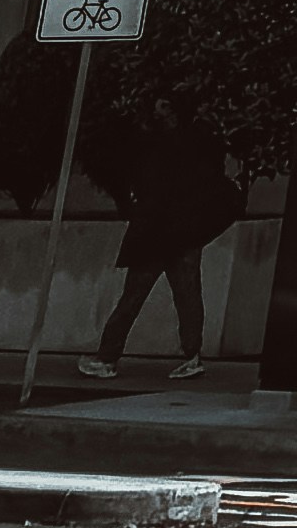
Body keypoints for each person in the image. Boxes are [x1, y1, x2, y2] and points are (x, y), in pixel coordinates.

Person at [79, 97, 241, 380]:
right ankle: (192, 356)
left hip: (154, 234)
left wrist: (135, 210)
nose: (157, 108)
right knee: (188, 295)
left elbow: (144, 186)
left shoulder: (153, 146)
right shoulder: (200, 144)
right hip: (185, 234)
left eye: (163, 104)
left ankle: (107, 357)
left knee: (133, 297)